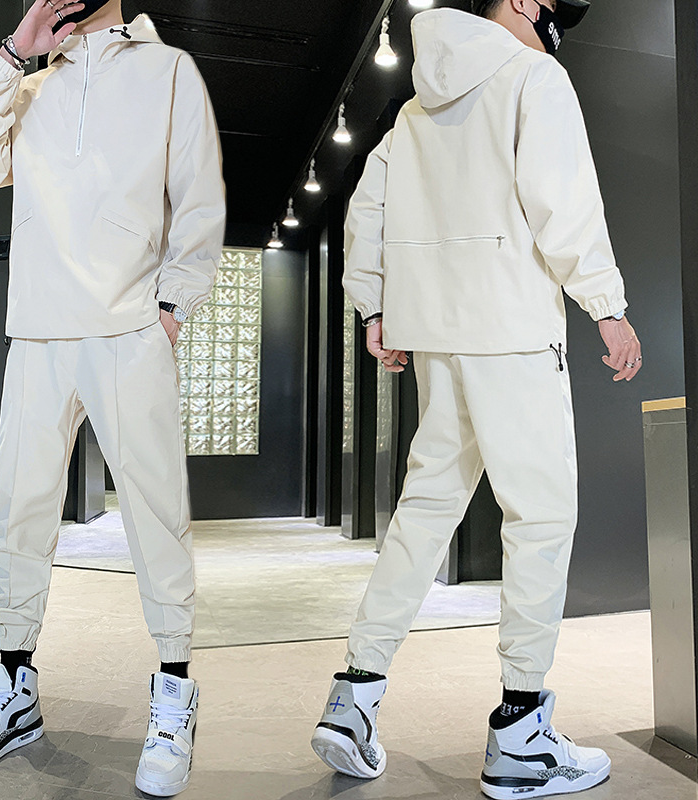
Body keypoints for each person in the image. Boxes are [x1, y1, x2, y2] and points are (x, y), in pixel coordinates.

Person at [311, 1, 641, 798]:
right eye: (556, 9)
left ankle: (355, 695)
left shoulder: (416, 108)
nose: (559, 25)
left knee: (426, 510)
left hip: (439, 335)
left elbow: (367, 208)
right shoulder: (535, 79)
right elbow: (560, 198)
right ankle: (522, 731)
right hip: (513, 330)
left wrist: (375, 308)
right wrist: (607, 306)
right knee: (542, 517)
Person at [0, 1, 225, 795]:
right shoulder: (31, 87)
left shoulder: (168, 72)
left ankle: (174, 691)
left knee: (154, 511)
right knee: (19, 511)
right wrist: (14, 53)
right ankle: (14, 688)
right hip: (37, 329)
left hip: (130, 329)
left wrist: (172, 308)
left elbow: (198, 200)